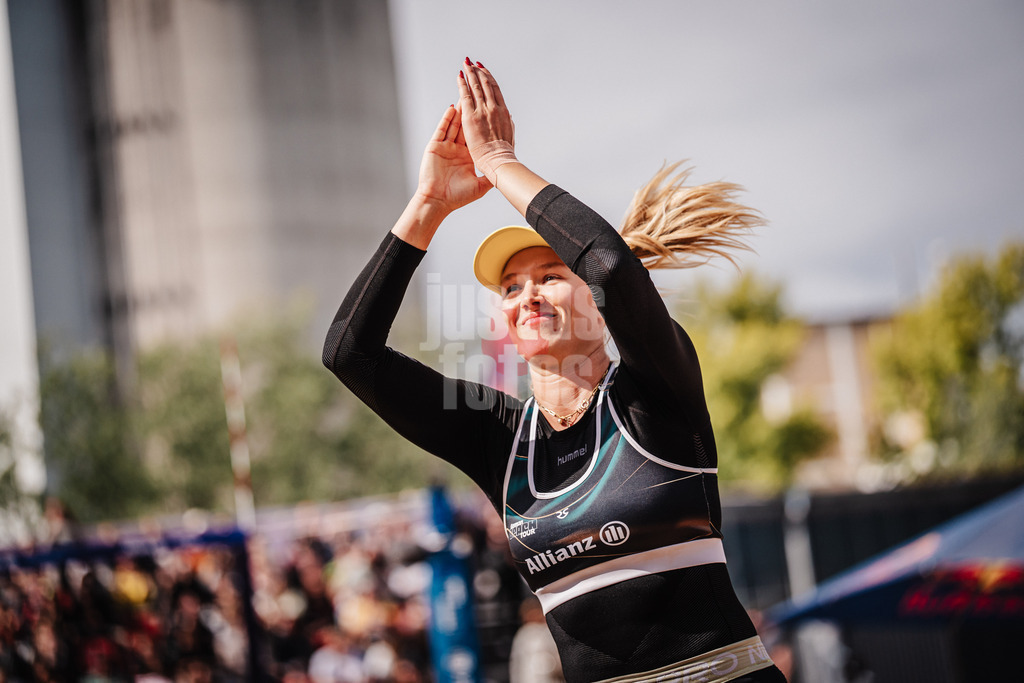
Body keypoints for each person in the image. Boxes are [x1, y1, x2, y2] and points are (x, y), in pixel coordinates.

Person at [323, 59, 787, 683]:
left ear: (596, 306)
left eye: (549, 278)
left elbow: (615, 269)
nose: (527, 296)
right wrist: (429, 203)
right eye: (511, 287)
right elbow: (349, 353)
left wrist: (497, 161)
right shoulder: (501, 440)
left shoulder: (652, 392)